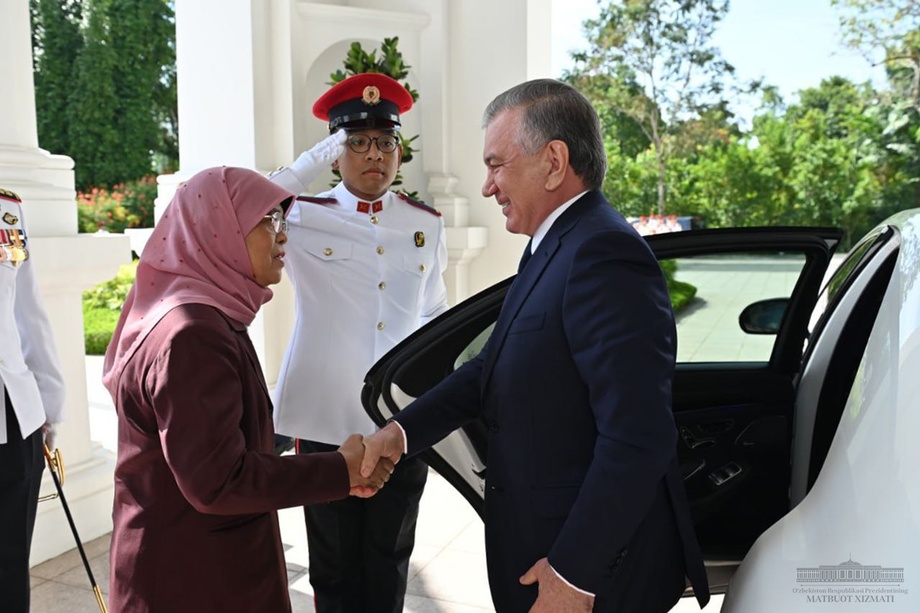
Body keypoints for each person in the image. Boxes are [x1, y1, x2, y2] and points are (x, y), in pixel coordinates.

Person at [361, 79, 711, 612]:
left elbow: (637, 436)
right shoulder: (553, 247)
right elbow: (489, 369)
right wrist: (401, 432)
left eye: (496, 164)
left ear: (553, 161)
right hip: (540, 554)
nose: (487, 186)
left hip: (589, 578)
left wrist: (574, 576)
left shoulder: (604, 254)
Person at [101, 167, 394, 612]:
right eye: (268, 221)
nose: (283, 238)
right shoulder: (192, 334)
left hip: (191, 566)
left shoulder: (202, 316)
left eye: (283, 221)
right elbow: (219, 481)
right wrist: (341, 469)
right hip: (197, 581)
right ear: (219, 230)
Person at [270, 72, 449, 612]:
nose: (375, 154)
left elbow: (433, 310)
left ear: (400, 151)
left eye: (385, 142)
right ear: (335, 152)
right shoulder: (299, 216)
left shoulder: (425, 225)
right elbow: (240, 209)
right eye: (357, 142)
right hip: (325, 422)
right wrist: (304, 166)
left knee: (390, 558)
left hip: (398, 421)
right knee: (334, 564)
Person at [0, 187, 66, 613]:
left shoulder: (5, 211)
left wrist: (49, 406)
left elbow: (29, 313)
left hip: (12, 416)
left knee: (8, 577)